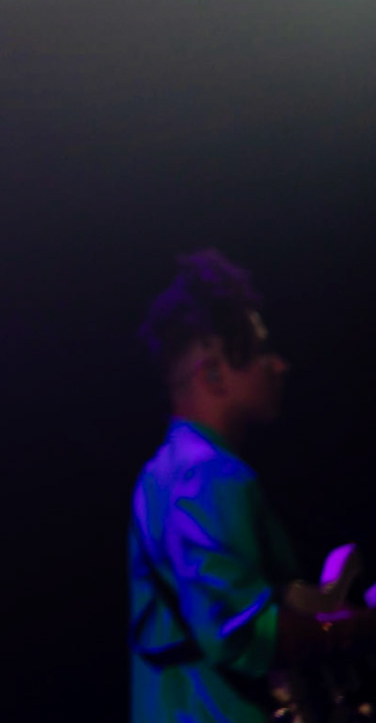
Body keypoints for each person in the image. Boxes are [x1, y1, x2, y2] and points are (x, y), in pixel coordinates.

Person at [129, 249, 372, 721]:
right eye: (261, 350)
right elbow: (243, 635)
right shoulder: (207, 476)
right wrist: (359, 628)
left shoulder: (167, 472)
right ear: (213, 373)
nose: (278, 365)